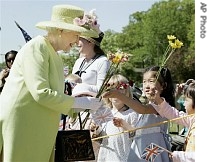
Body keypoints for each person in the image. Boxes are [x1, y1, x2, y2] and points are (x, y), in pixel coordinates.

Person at [0, 4, 103, 162]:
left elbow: (56, 95)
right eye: (76, 35)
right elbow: (41, 93)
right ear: (61, 30)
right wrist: (77, 102)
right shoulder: (37, 47)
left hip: (38, 125)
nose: (77, 42)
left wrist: (78, 106)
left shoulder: (53, 53)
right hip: (22, 124)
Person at [102, 66, 175, 162]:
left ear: (163, 86)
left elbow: (142, 109)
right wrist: (124, 125)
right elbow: (139, 132)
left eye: (151, 81)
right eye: (144, 81)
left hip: (153, 148)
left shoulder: (161, 104)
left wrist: (118, 94)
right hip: (142, 148)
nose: (146, 85)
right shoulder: (149, 105)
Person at [91, 74, 139, 162]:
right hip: (106, 155)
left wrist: (124, 125)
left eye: (120, 90)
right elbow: (100, 137)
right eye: (112, 90)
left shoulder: (131, 113)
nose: (116, 94)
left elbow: (137, 135)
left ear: (126, 92)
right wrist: (95, 129)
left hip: (123, 155)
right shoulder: (104, 113)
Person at [152, 81, 195, 162]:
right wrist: (158, 99)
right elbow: (174, 114)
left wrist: (179, 156)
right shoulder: (192, 119)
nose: (184, 104)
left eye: (186, 100)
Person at [72, 9, 110, 93]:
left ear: (90, 41)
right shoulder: (78, 62)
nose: (76, 42)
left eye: (79, 39)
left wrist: (79, 87)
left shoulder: (102, 61)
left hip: (92, 105)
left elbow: (101, 90)